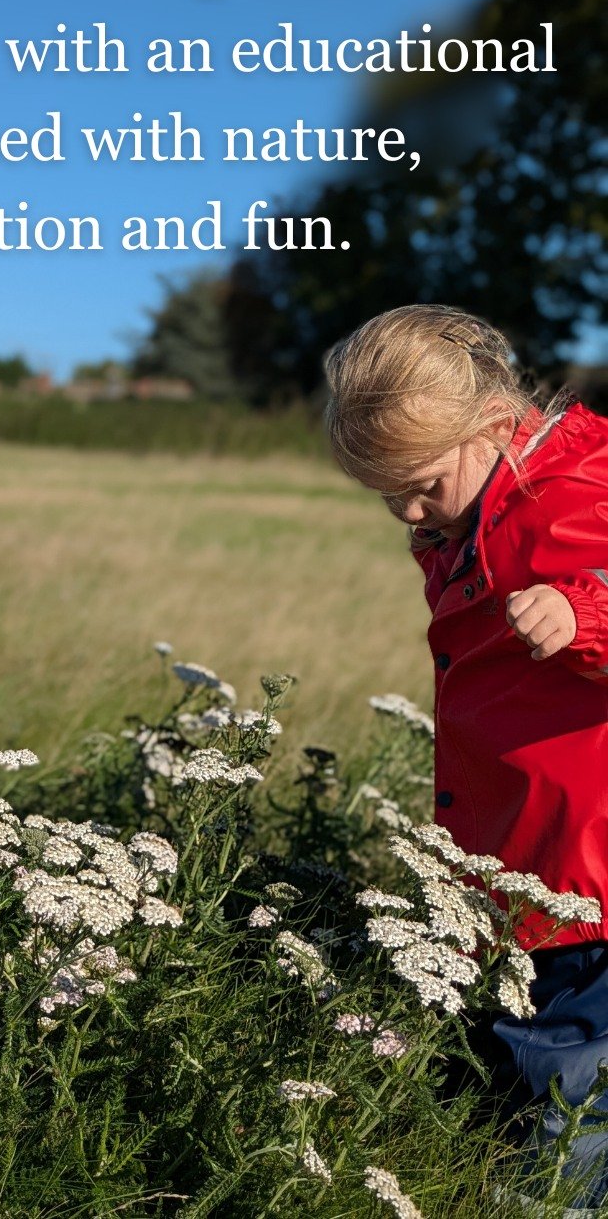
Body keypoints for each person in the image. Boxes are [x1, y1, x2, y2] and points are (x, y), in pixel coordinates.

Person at [324, 303, 608, 1213]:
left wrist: (584, 616)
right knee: (515, 1076)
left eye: (421, 486)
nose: (407, 513)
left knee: (570, 1095)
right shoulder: (463, 516)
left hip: (589, 873)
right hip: (512, 862)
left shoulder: (581, 491)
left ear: (491, 426)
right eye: (387, 495)